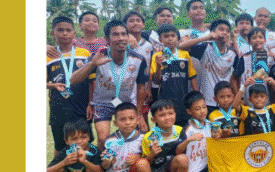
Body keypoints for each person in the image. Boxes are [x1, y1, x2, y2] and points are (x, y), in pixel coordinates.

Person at [69, 19, 149, 148]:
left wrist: (139, 114)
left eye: (124, 34)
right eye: (115, 34)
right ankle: (102, 166)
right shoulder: (98, 57)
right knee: (102, 139)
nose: (121, 38)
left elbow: (141, 87)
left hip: (127, 102)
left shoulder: (138, 59)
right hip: (103, 102)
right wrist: (92, 64)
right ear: (107, 39)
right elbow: (73, 80)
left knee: (134, 136)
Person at [94, 102, 154, 172]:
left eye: (131, 118)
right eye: (123, 119)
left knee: (142, 163)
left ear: (137, 120)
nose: (127, 122)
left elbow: (151, 159)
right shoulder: (110, 140)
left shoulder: (144, 137)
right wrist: (106, 162)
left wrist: (139, 157)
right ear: (115, 123)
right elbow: (105, 167)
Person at [172, 90, 224, 172]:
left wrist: (221, 135)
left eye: (204, 107)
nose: (202, 111)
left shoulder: (210, 125)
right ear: (189, 111)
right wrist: (189, 140)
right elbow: (178, 152)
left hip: (211, 170)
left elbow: (218, 145)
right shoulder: (187, 129)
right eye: (197, 109)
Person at [47, 16, 92, 150]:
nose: (65, 33)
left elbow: (91, 81)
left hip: (81, 105)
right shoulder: (48, 56)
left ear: (74, 33)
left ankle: (85, 170)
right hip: (58, 106)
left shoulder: (84, 53)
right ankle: (59, 170)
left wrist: (90, 103)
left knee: (84, 142)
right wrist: (53, 86)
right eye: (60, 30)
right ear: (52, 33)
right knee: (60, 145)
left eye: (68, 30)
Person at [179, 19, 239, 112]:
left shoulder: (232, 53)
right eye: (221, 29)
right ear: (213, 32)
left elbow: (236, 77)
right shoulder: (205, 47)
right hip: (207, 101)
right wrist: (206, 38)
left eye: (227, 31)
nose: (225, 33)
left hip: (226, 101)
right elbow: (180, 47)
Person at [140, 99, 183, 172]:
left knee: (182, 159)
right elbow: (144, 164)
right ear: (153, 119)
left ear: (175, 114)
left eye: (170, 113)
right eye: (162, 115)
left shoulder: (180, 131)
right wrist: (152, 155)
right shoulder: (149, 137)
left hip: (172, 168)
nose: (167, 117)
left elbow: (186, 158)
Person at [150, 25, 198, 127]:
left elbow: (192, 76)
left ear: (177, 38)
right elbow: (157, 81)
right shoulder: (157, 56)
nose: (170, 38)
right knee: (165, 127)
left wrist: (196, 94)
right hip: (164, 99)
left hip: (182, 99)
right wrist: (158, 67)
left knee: (183, 128)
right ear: (160, 39)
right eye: (166, 36)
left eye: (173, 36)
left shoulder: (185, 55)